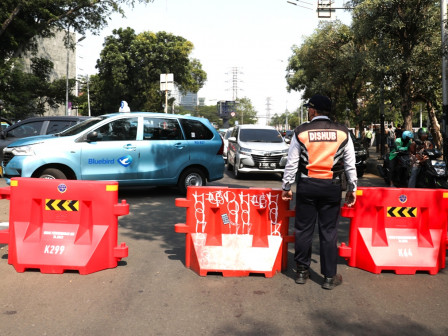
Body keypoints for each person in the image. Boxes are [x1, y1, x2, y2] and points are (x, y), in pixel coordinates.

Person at [281, 94, 357, 290]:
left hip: (307, 185)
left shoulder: (301, 131)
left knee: (304, 230)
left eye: (309, 108)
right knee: (329, 232)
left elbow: (292, 163)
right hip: (331, 187)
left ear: (313, 110)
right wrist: (352, 188)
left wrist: (287, 187)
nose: (308, 111)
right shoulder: (343, 132)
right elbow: (350, 164)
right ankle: (329, 276)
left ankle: (301, 272)